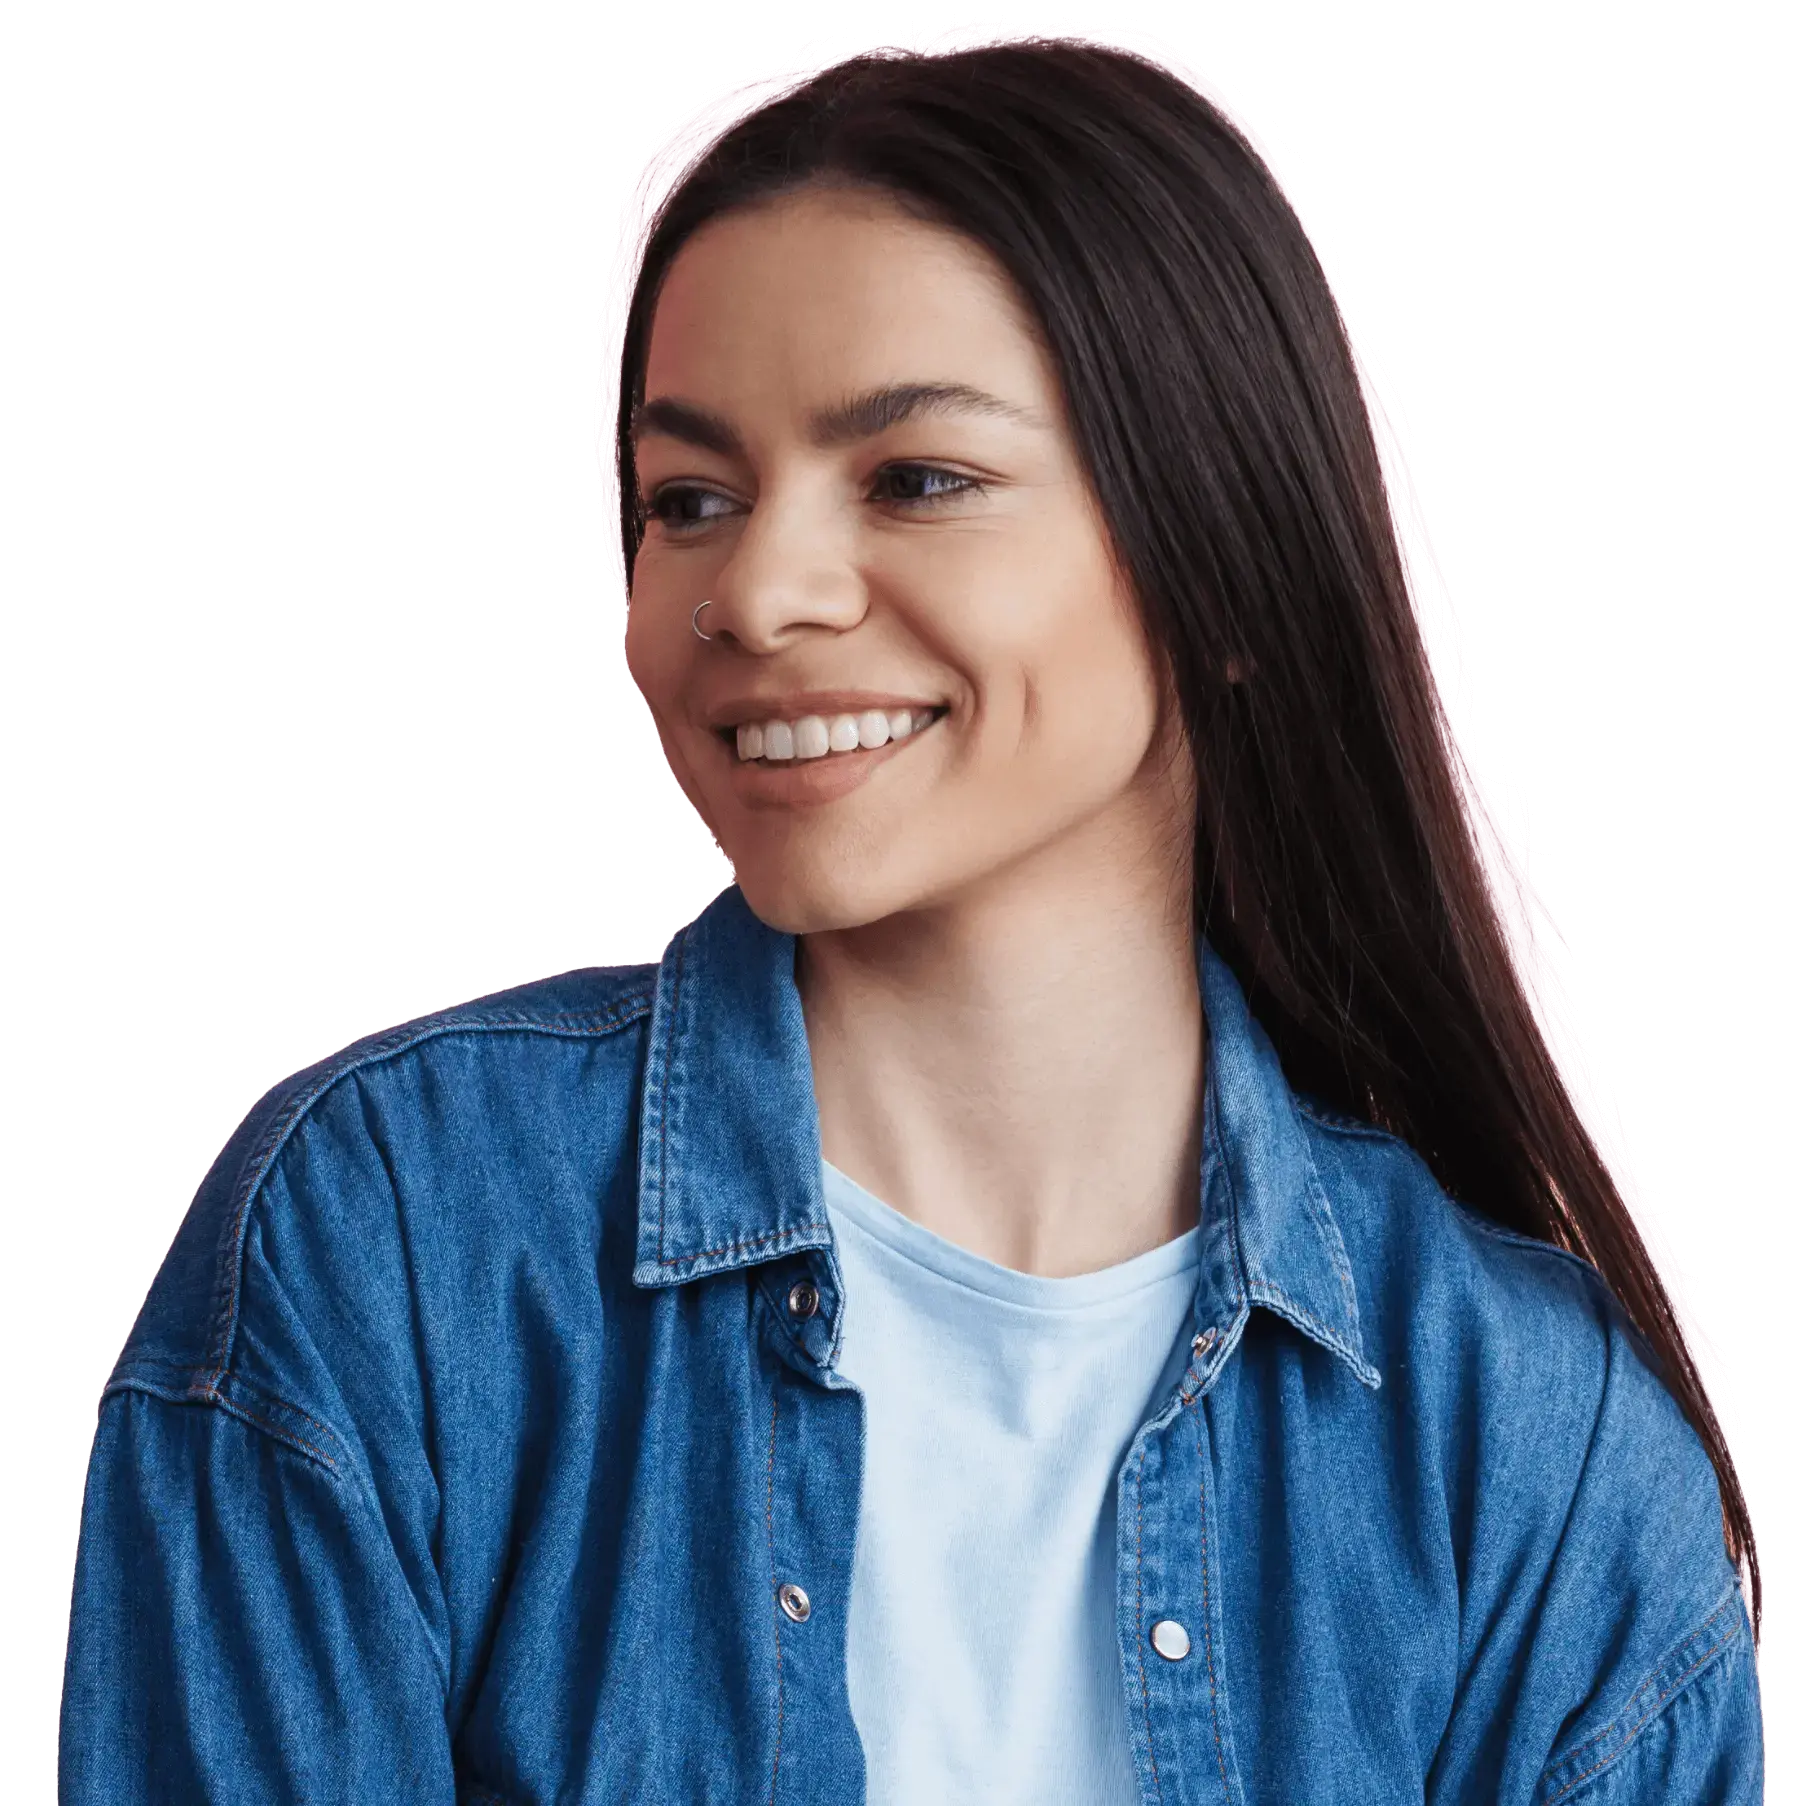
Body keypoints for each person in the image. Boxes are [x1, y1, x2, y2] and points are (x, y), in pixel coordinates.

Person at [59, 30, 1764, 1804]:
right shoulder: (392, 1240)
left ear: (1224, 564)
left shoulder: (1536, 1444)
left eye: (916, 480)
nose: (758, 594)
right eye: (689, 500)